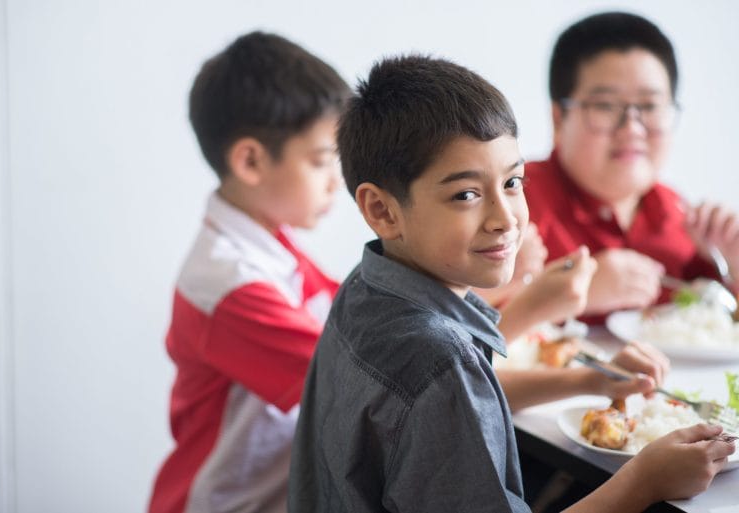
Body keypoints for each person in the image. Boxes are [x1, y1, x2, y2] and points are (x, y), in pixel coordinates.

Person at [288, 54, 734, 513]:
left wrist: (590, 380)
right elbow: (448, 384)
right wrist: (645, 480)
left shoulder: (367, 284)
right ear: (382, 210)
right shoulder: (437, 358)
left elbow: (461, 396)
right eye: (466, 195)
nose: (505, 219)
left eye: (513, 182)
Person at [148, 32, 350, 513]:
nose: (336, 180)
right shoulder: (230, 284)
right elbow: (363, 376)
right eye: (322, 161)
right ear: (250, 161)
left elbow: (353, 313)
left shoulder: (269, 241)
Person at [525, 11, 739, 323]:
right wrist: (571, 294)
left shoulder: (681, 217)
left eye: (650, 106)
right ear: (559, 118)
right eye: (605, 106)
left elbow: (721, 323)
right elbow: (456, 321)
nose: (632, 129)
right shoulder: (515, 202)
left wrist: (733, 264)